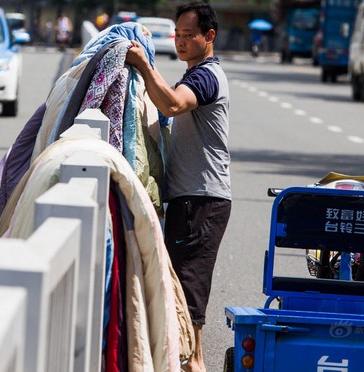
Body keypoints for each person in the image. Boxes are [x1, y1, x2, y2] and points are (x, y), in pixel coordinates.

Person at [125, 2, 231, 371]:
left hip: (203, 199)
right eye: (178, 35)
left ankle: (194, 362)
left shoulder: (206, 77)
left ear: (209, 37)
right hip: (191, 198)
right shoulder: (194, 74)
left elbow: (170, 105)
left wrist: (143, 65)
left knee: (188, 284)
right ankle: (188, 359)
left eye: (189, 35)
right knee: (181, 283)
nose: (182, 42)